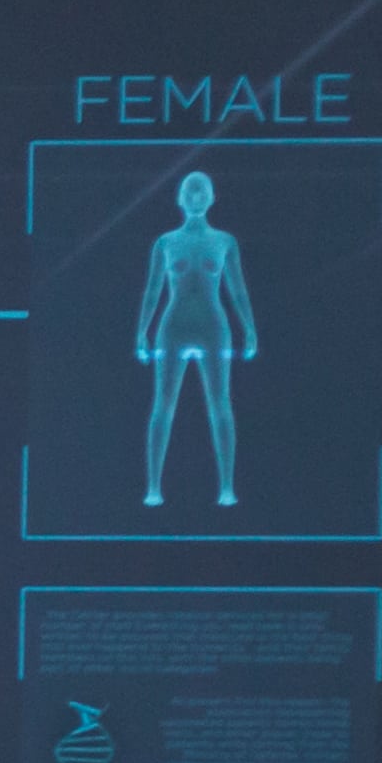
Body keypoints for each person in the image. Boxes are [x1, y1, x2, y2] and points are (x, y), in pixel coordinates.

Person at [138, 169, 258, 510]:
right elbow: (153, 290)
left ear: (212, 197)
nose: (195, 197)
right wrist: (142, 331)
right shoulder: (166, 243)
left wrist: (249, 328)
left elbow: (237, 289)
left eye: (201, 191)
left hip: (212, 326)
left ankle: (227, 487)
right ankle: (153, 487)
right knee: (163, 404)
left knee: (220, 403)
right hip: (174, 325)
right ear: (179, 198)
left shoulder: (224, 242)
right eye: (189, 191)